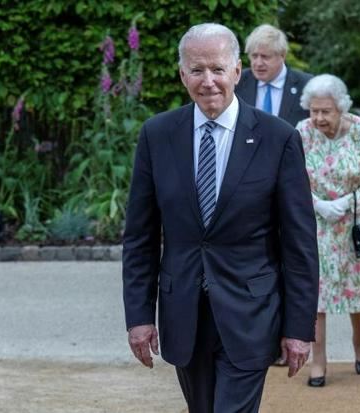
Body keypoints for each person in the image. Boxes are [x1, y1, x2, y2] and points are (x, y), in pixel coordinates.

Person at [122, 23, 319, 412]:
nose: (207, 81)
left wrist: (298, 328)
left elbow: (299, 243)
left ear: (236, 71)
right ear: (182, 75)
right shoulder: (158, 135)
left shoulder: (277, 138)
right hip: (184, 315)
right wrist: (139, 317)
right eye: (196, 70)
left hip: (251, 314)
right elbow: (140, 237)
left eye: (216, 68)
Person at [296, 74, 360, 387]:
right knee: (316, 295)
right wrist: (318, 205)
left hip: (354, 223)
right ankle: (318, 359)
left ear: (341, 109)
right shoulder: (302, 133)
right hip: (315, 223)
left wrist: (349, 202)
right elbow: (291, 178)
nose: (319, 118)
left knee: (355, 290)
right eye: (314, 111)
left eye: (326, 111)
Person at [235, 24, 311, 128]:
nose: (258, 63)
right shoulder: (237, 81)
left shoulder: (306, 85)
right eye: (254, 56)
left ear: (282, 55)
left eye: (265, 57)